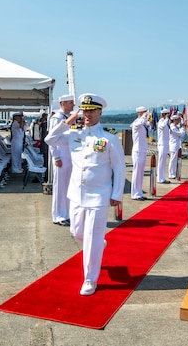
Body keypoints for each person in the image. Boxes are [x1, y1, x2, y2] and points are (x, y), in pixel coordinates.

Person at [45, 92, 125, 296]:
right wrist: (66, 122)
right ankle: (100, 243)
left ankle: (90, 279)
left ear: (100, 112)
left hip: (99, 196)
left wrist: (117, 194)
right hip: (76, 195)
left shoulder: (109, 138)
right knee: (77, 233)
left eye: (91, 111)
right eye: (85, 110)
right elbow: (49, 139)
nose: (87, 114)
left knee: (91, 237)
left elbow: (119, 167)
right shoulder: (74, 135)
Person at [48, 94, 75, 226]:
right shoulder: (57, 117)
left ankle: (65, 214)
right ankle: (58, 215)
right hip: (61, 156)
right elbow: (51, 139)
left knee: (67, 187)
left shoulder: (69, 118)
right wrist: (56, 157)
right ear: (63, 103)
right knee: (60, 188)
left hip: (69, 156)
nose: (73, 105)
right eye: (70, 103)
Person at [130, 106, 150, 201]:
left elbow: (149, 126)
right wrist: (144, 116)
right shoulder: (136, 123)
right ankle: (135, 194)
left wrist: (148, 120)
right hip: (137, 150)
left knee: (140, 173)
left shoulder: (142, 123)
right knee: (137, 173)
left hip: (142, 150)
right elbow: (140, 122)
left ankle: (139, 192)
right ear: (140, 113)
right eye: (145, 113)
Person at [168, 114, 185, 179]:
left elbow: (180, 125)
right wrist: (183, 127)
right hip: (174, 145)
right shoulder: (173, 127)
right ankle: (171, 174)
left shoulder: (175, 126)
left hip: (176, 145)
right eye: (177, 120)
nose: (178, 121)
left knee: (175, 160)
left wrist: (182, 122)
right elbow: (181, 134)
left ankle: (173, 173)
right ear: (174, 120)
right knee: (173, 160)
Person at [157, 108, 171, 184]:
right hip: (162, 144)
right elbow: (162, 126)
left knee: (163, 162)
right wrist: (166, 119)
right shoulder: (161, 122)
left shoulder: (166, 122)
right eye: (167, 114)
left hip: (165, 144)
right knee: (161, 162)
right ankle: (159, 178)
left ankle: (162, 177)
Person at [39, 113, 49, 183]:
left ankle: (46, 176)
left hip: (45, 146)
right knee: (46, 163)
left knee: (46, 162)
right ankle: (46, 177)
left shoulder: (45, 124)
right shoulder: (45, 124)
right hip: (46, 146)